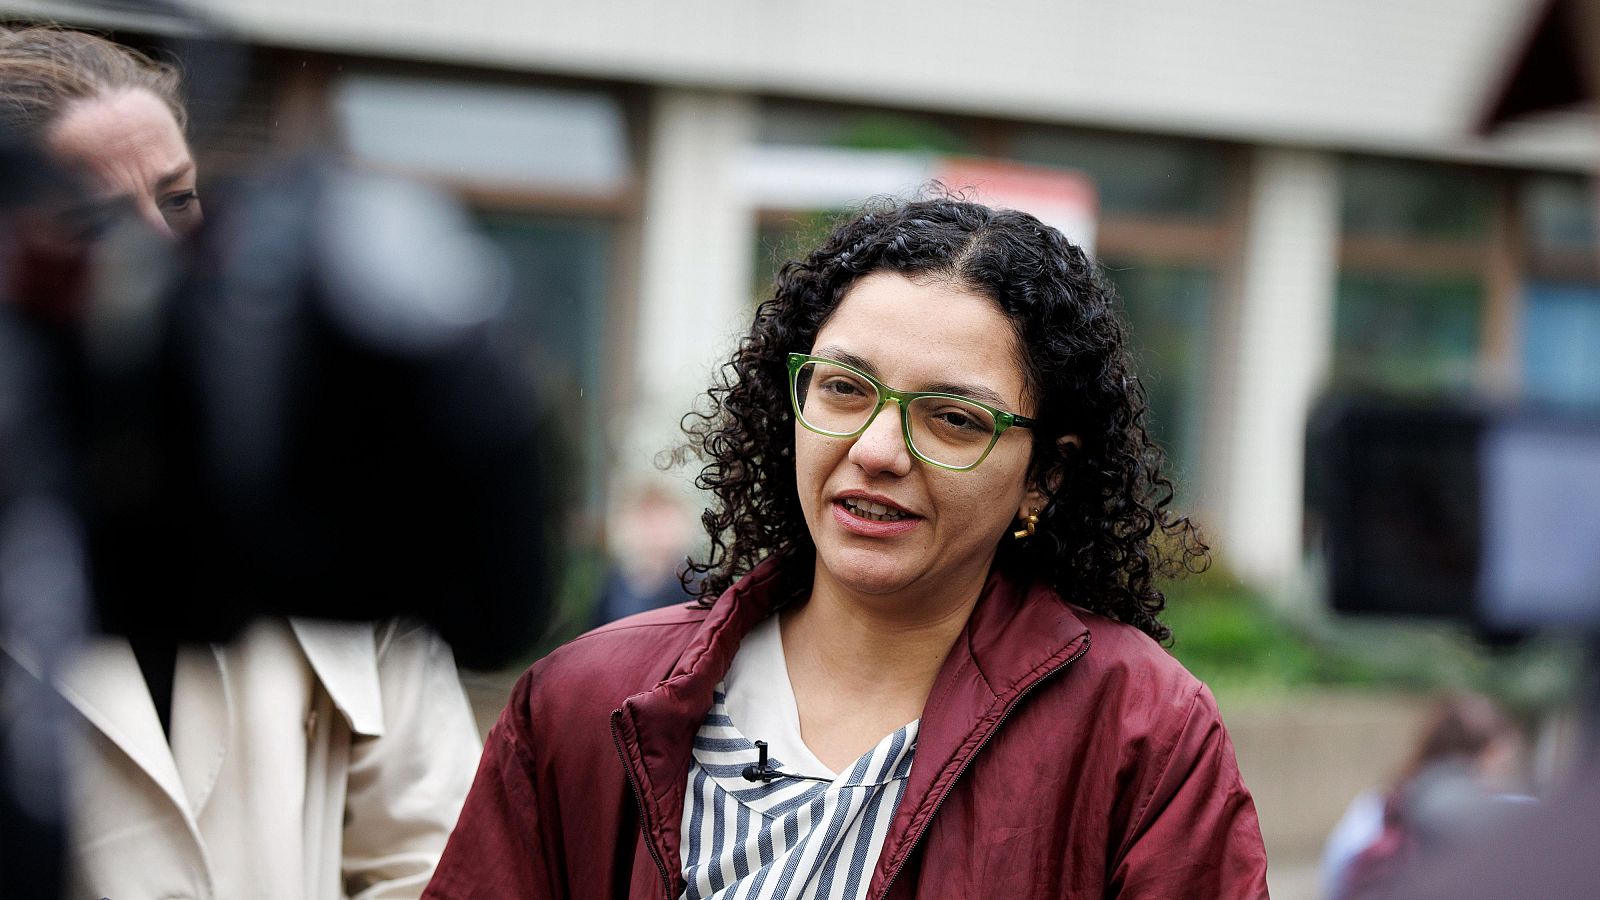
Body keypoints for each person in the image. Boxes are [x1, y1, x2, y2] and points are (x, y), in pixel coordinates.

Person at [425, 198, 1268, 899]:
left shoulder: (1142, 736)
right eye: (842, 388)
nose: (876, 449)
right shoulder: (583, 703)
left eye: (954, 417)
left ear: (1045, 474)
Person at [0, 26, 481, 899]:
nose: (156, 254)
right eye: (89, 221)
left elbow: (435, 858)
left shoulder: (322, 492)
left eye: (178, 201)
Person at [1326, 693, 1528, 900]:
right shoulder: (1503, 821)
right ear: (1489, 754)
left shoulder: (1376, 805)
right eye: (1504, 762)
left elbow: (1336, 880)